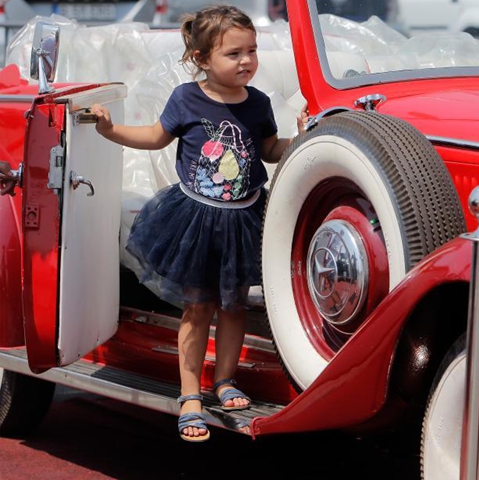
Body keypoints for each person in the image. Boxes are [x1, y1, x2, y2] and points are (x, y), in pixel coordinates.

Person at [91, 5, 308, 442]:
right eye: (233, 53)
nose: (246, 60)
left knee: (234, 307)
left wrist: (300, 138)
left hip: (245, 218)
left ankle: (224, 379)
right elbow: (155, 137)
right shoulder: (185, 99)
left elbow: (267, 148)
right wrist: (111, 131)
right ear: (202, 58)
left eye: (252, 51)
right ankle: (189, 393)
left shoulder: (259, 103)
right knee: (198, 308)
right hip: (195, 220)